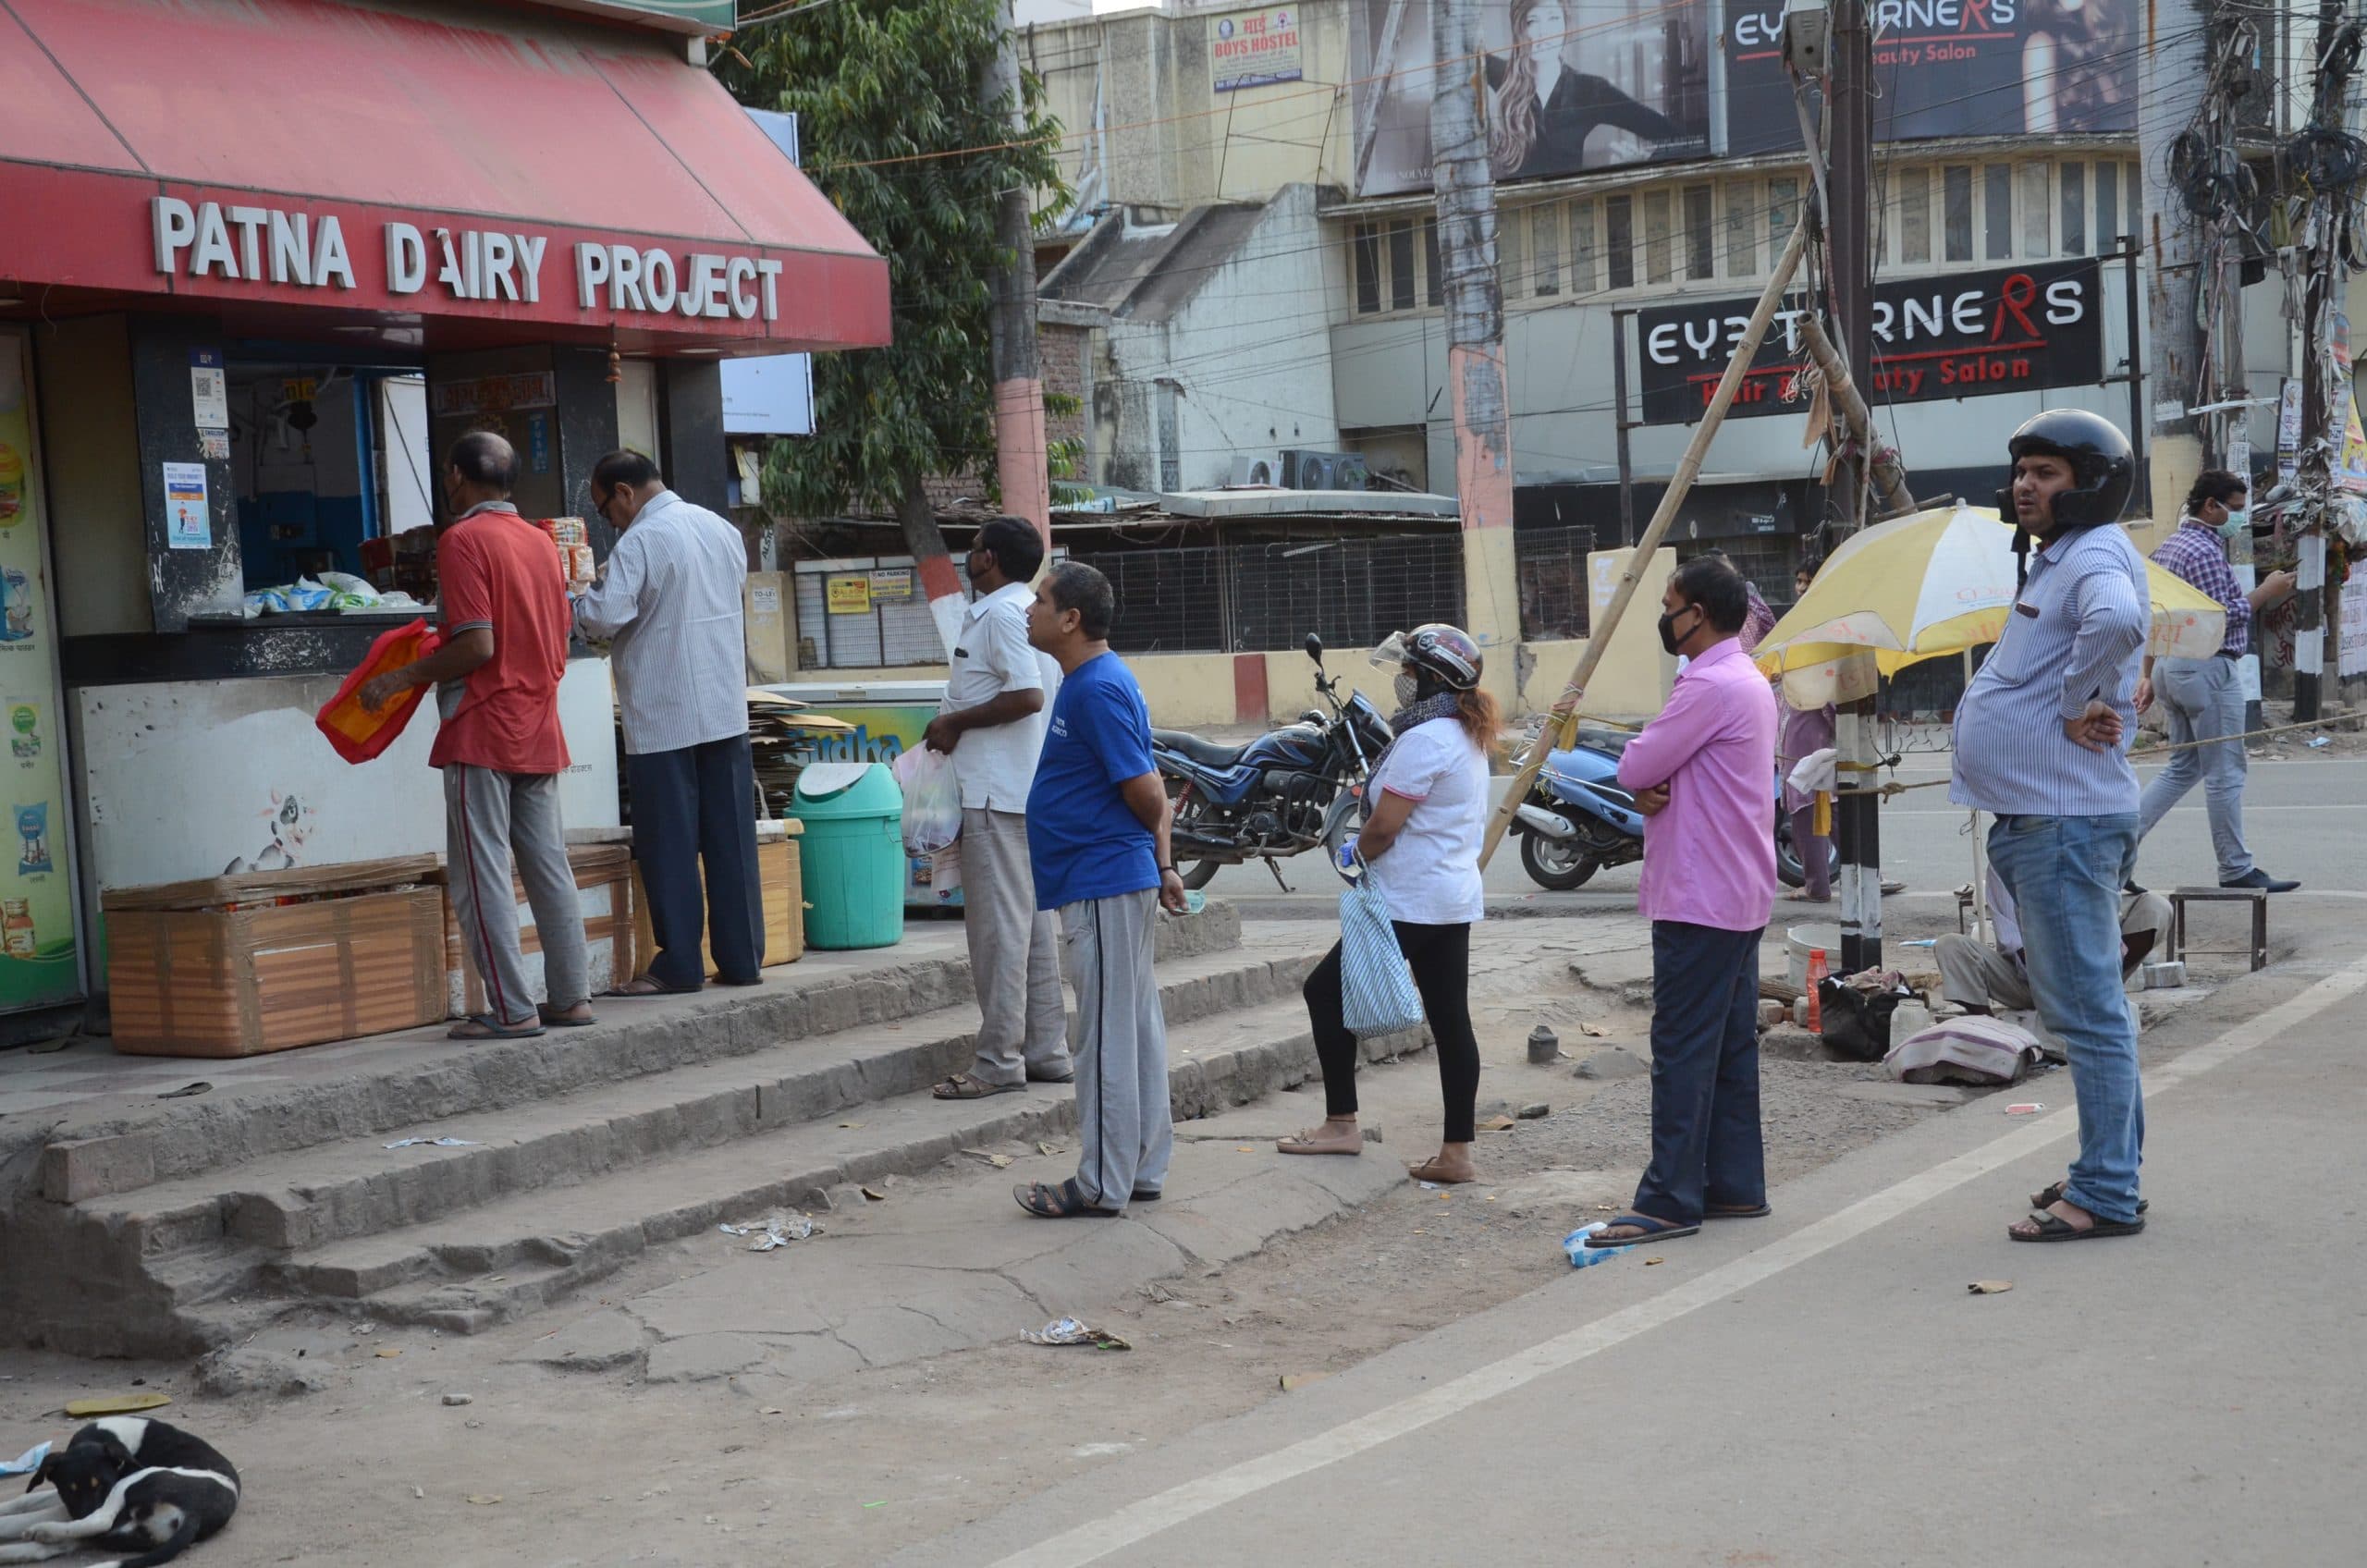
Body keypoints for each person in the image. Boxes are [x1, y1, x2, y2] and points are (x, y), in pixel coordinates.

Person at [1951, 409, 2151, 1243]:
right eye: (2023, 472)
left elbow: (2120, 623)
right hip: (2049, 820)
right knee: (2093, 1011)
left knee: (2089, 1017)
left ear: (2087, 487)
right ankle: (2107, 1172)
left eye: (2046, 473)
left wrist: (2076, 705)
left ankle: (2105, 1193)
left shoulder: (2096, 553)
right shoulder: (2060, 560)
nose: (2026, 486)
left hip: (2063, 823)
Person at [361, 432, 591, 1040]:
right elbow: (554, 633)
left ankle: (513, 1011)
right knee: (548, 867)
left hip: (483, 725)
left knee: (480, 873)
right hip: (538, 721)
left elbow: (478, 644)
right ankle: (571, 997)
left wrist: (399, 678)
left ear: (456, 478)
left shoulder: (461, 540)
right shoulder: (543, 544)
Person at [1587, 557, 1779, 1247]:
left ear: (1697, 612)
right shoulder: (1744, 678)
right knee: (1728, 1048)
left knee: (1683, 1048)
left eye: (1669, 606)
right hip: (1737, 890)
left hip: (1702, 895)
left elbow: (1636, 765)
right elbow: (1659, 776)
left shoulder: (1708, 687)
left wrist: (1646, 777)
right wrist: (1652, 782)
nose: (1663, 619)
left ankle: (1669, 1197)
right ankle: (1733, 1184)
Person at [1276, 624, 1495, 1184]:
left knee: (1323, 991)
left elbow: (1383, 826)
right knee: (1450, 1020)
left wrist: (1357, 853)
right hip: (1450, 897)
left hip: (1408, 899)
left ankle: (1341, 1123)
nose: (1402, 680)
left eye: (1410, 672)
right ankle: (1457, 1154)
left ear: (1430, 680)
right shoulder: (1461, 733)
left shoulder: (1425, 739)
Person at [1011, 563, 1188, 1219]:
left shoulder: (1096, 688)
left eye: (1041, 600)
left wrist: (1158, 860)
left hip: (1104, 882)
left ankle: (1100, 1183)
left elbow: (1147, 792)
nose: (1029, 610)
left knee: (1108, 1039)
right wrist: (1164, 866)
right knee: (1131, 1030)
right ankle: (1138, 1168)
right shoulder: (1087, 683)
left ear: (1071, 620)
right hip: (1105, 880)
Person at [574, 450, 763, 995]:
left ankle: (680, 961)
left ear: (625, 492)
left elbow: (604, 618)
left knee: (671, 842)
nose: (610, 520)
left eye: (606, 508)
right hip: (723, 706)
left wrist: (574, 602)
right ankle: (743, 956)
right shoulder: (721, 528)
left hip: (663, 713)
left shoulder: (641, 542)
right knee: (732, 838)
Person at [926, 518, 1071, 1100]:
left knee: (997, 934)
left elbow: (1028, 696)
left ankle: (998, 1061)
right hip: (1018, 790)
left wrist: (953, 722)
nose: (969, 556)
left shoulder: (1005, 615)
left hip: (997, 794)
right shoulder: (1019, 613)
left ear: (990, 559)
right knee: (1029, 928)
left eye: (974, 548)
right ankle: (1045, 1052)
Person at [2129, 469, 2299, 893]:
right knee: (2225, 772)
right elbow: (2226, 614)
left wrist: (2149, 673)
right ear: (2211, 506)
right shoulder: (2203, 551)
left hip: (2173, 666)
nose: (2239, 518)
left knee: (2183, 767)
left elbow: (2157, 616)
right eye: (2236, 509)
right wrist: (2268, 590)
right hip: (2206, 666)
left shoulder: (2169, 546)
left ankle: (2114, 853)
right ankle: (2235, 868)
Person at [1485, 0, 1691, 180]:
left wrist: (1642, 166)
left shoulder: (1591, 90)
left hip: (1573, 208)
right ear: (1519, 28)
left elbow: (1677, 137)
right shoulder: (1504, 76)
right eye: (1532, 21)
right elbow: (1461, 51)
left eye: (1553, 19)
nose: (1543, 32)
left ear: (1566, 26)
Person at [1936, 869, 2170, 1016]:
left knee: (2156, 907)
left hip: (2093, 976)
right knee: (1950, 946)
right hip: (2032, 981)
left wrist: (2115, 873)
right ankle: (1987, 1030)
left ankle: (2098, 997)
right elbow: (2017, 947)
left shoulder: (2079, 850)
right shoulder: (2004, 865)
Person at [1777, 556, 1837, 903]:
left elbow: (1827, 683)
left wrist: (1836, 728)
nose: (1800, 588)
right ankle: (1863, 874)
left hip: (1810, 725)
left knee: (1806, 807)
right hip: (1799, 719)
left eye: (1807, 582)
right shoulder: (1806, 621)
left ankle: (1817, 885)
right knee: (1829, 804)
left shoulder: (1820, 625)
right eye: (1798, 581)